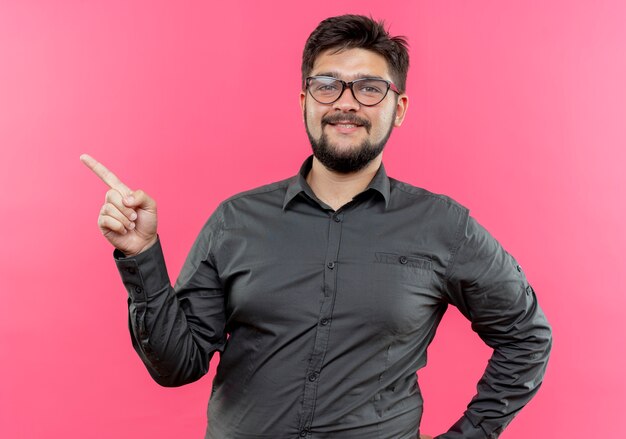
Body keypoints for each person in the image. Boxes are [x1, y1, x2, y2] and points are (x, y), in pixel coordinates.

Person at [81, 14, 551, 439]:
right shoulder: (235, 221)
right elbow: (177, 365)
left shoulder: (445, 226)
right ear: (305, 101)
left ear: (399, 107)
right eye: (328, 85)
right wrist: (141, 254)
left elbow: (526, 335)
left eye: (369, 88)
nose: (346, 103)